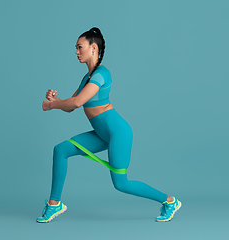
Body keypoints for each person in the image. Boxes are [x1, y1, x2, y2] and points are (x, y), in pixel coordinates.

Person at [37, 27, 181, 223]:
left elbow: (78, 103)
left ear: (93, 47)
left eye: (80, 47)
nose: (77, 52)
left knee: (121, 184)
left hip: (118, 133)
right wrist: (56, 100)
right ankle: (54, 204)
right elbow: (71, 105)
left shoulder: (101, 74)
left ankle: (170, 201)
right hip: (101, 134)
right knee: (60, 150)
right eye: (76, 48)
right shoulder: (87, 78)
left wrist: (52, 106)